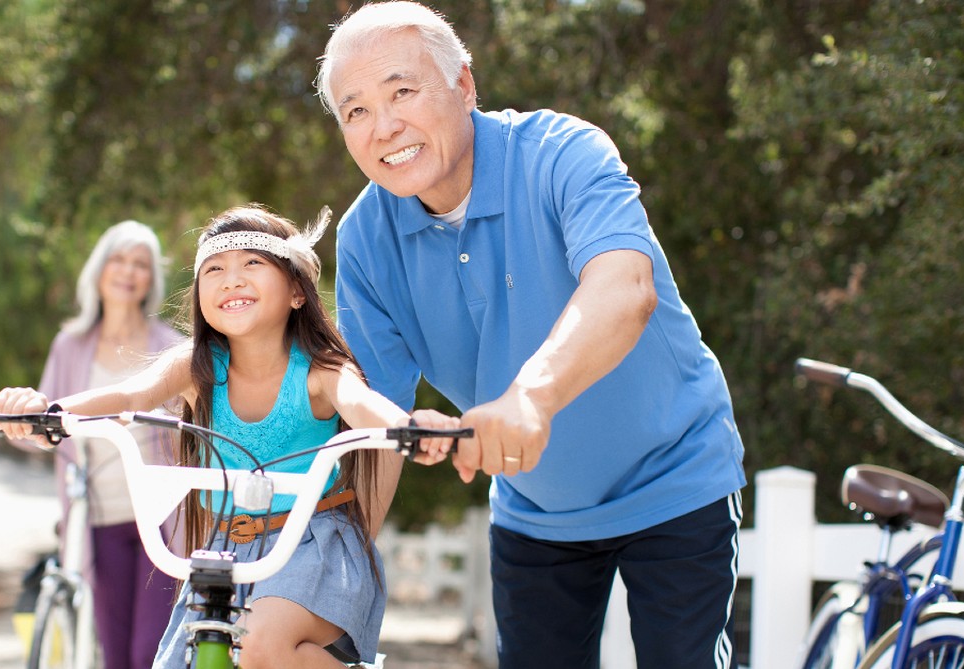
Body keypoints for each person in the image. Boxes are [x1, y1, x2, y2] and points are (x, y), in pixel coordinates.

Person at [315, 3, 748, 668]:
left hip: (676, 479)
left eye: (402, 91)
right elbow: (370, 429)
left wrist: (529, 397)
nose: (385, 126)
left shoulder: (562, 154)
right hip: (536, 509)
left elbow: (624, 288)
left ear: (464, 84)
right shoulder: (366, 241)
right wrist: (325, 586)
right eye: (357, 111)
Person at [0, 204, 459, 669]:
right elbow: (128, 396)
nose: (231, 279)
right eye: (214, 269)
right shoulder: (196, 367)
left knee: (256, 645)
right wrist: (48, 413)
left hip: (312, 547)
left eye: (252, 263)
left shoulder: (321, 370)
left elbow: (362, 406)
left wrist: (408, 427)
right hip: (224, 550)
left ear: (297, 291)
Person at [0, 220, 185, 669]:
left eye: (141, 264)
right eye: (118, 259)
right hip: (97, 521)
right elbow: (47, 431)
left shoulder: (172, 349)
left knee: (149, 654)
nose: (128, 271)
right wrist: (11, 421)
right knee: (114, 656)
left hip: (162, 522)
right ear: (99, 269)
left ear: (151, 279)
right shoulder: (70, 346)